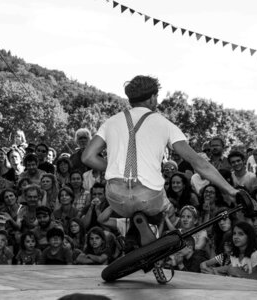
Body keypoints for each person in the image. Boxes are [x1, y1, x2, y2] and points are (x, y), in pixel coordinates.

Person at [82, 75, 238, 238]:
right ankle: (158, 235)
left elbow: (87, 157)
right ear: (152, 98)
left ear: (130, 100)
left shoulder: (111, 122)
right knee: (168, 211)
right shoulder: (163, 123)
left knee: (127, 206)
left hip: (116, 197)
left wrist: (115, 167)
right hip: (148, 197)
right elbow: (198, 162)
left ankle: (135, 230)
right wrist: (231, 190)